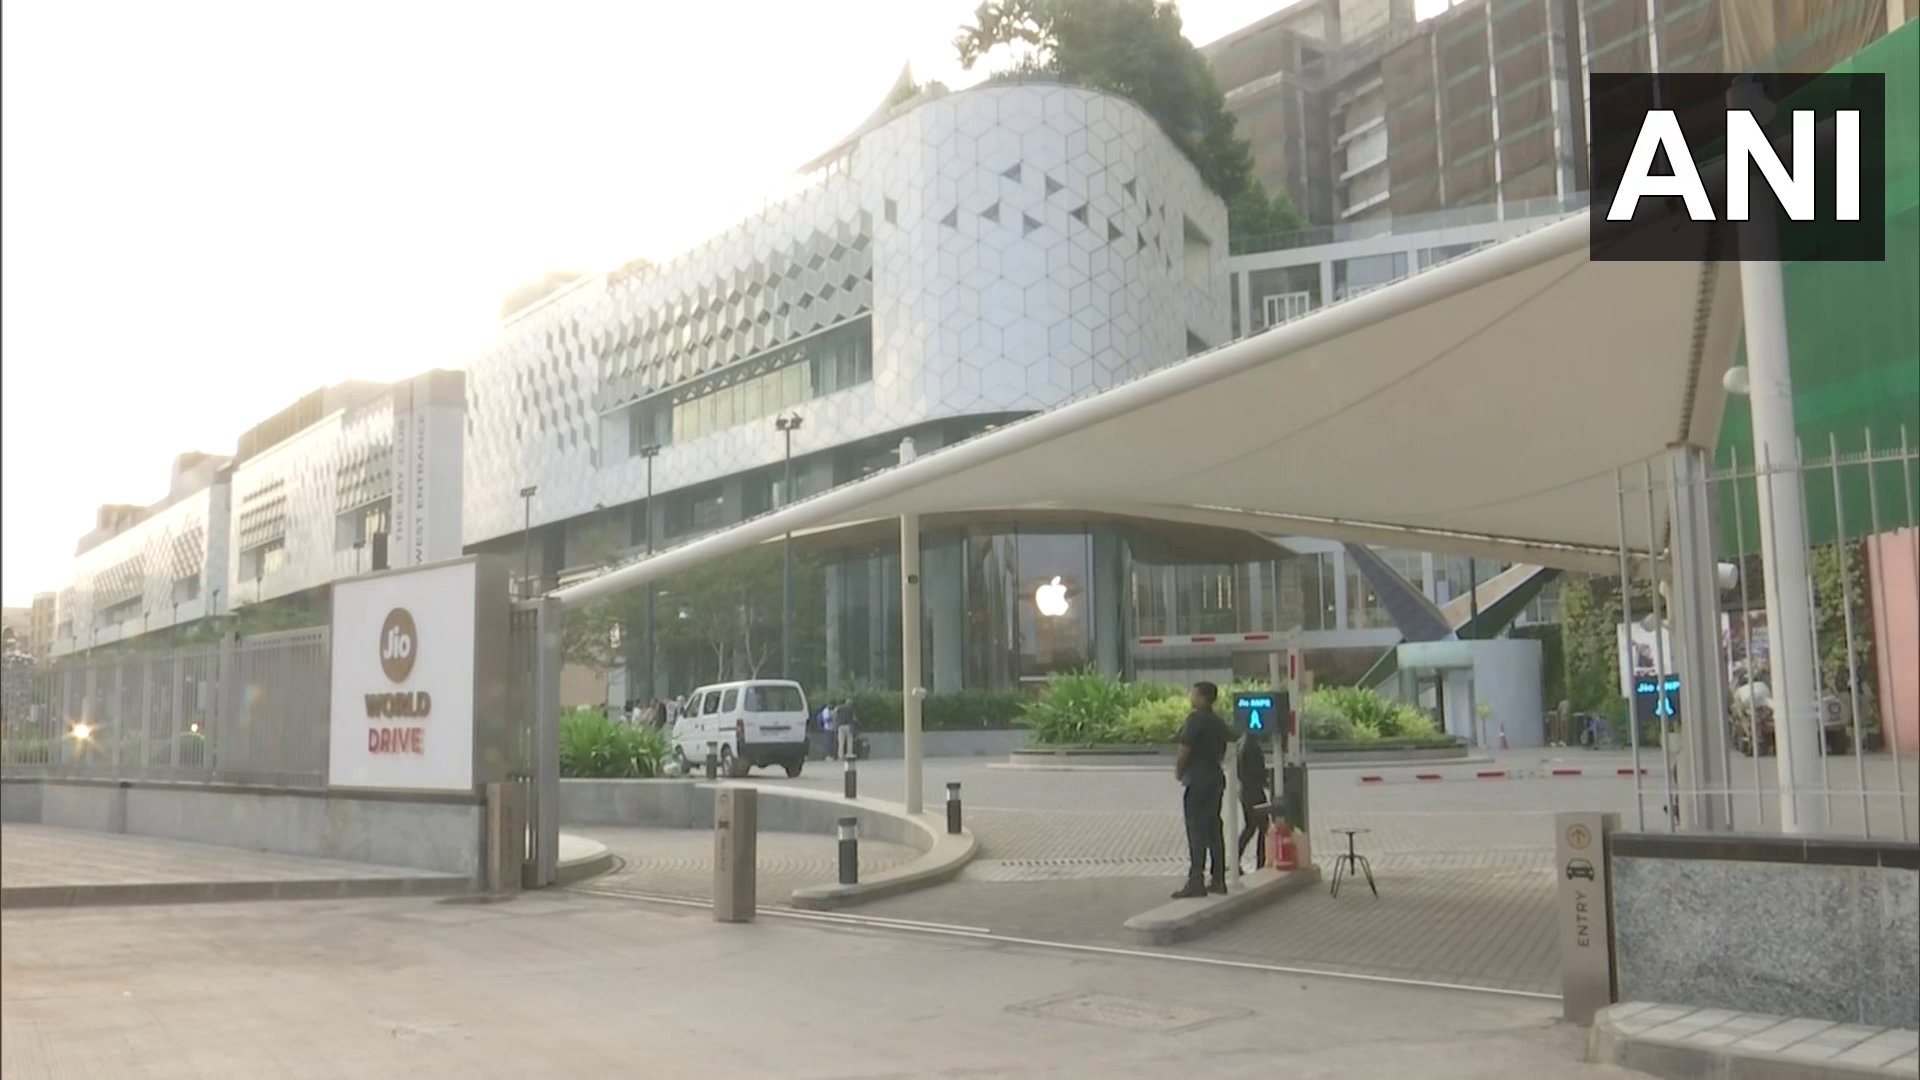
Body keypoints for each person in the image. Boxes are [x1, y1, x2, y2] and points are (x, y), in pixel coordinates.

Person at [1173, 681, 1231, 898]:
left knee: (1196, 829)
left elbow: (1185, 748)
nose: (1191, 697)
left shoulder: (1195, 720)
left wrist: (1179, 770)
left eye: (1194, 694)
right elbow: (1226, 745)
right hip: (1215, 779)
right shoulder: (1218, 722)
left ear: (1202, 697)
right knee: (1214, 828)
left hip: (1197, 780)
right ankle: (1218, 879)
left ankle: (1196, 879)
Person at [1236, 726, 1269, 873]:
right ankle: (1261, 862)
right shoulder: (1252, 746)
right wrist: (1268, 780)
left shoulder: (1242, 743)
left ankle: (1236, 859)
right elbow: (1258, 771)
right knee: (1262, 826)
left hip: (1246, 791)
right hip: (1254, 792)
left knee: (1251, 826)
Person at [833, 697, 857, 762]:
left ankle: (840, 756)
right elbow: (854, 718)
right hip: (849, 726)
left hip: (840, 726)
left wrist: (836, 722)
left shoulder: (839, 707)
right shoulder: (851, 709)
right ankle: (849, 755)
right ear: (850, 703)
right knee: (850, 741)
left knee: (841, 742)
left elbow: (834, 714)